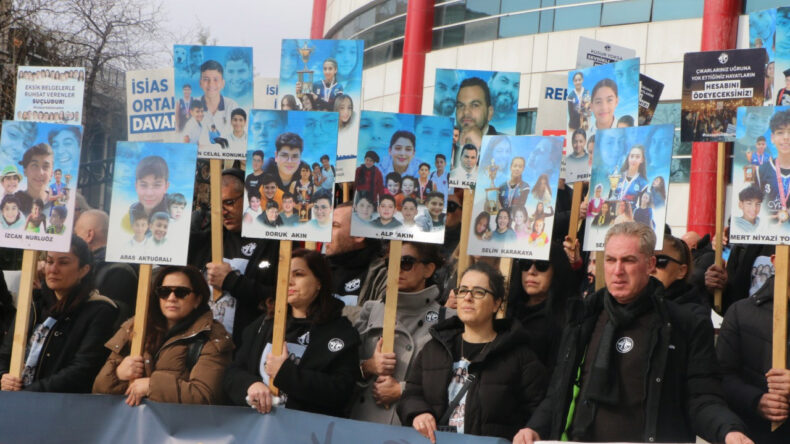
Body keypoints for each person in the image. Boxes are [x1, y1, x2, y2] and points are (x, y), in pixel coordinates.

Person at [513, 222, 752, 444]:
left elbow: (702, 397)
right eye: (610, 260)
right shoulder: (582, 317)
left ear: (649, 264)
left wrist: (728, 430)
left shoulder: (685, 324)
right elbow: (559, 390)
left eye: (628, 260)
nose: (617, 270)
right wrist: (534, 428)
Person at [399, 262, 547, 441]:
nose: (468, 298)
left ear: (496, 303)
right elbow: (411, 393)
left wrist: (530, 430)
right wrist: (419, 413)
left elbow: (540, 408)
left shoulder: (519, 355)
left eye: (478, 292)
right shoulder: (434, 348)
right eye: (463, 290)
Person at [224, 249, 360, 416]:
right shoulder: (265, 323)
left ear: (319, 282)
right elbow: (233, 372)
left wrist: (286, 374)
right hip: (258, 429)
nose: (289, 281)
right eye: (284, 274)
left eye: (298, 274)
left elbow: (340, 392)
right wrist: (250, 385)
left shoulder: (340, 331)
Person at [92, 265, 233, 405]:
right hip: (132, 423)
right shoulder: (135, 327)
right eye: (164, 292)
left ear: (197, 300)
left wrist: (152, 386)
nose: (171, 298)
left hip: (179, 426)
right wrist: (118, 375)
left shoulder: (212, 336)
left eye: (181, 292)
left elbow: (205, 396)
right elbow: (98, 390)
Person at [0, 236, 118, 393]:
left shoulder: (100, 310)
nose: (53, 269)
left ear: (84, 270)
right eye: (49, 262)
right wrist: (4, 377)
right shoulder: (33, 303)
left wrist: (28, 393)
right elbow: (5, 353)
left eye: (63, 262)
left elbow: (82, 370)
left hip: (60, 407)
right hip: (15, 401)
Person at [351, 242, 450, 424]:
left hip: (408, 427)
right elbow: (341, 373)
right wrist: (367, 367)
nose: (397, 270)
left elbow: (451, 380)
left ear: (428, 270)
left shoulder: (447, 319)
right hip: (362, 425)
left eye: (405, 262)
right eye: (391, 263)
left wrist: (402, 390)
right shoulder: (371, 310)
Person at [188, 168, 279, 347]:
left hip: (247, 346)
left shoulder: (271, 244)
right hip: (203, 346)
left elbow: (278, 297)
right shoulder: (207, 241)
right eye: (217, 205)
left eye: (229, 202)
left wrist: (232, 281)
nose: (223, 211)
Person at [717, 269, 790, 443]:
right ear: (775, 260)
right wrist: (756, 400)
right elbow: (721, 376)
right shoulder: (740, 313)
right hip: (755, 433)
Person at [508, 242, 580, 370]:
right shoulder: (505, 309)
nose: (531, 271)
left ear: (557, 270)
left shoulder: (567, 317)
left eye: (542, 265)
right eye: (525, 264)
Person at [73, 209, 138, 328]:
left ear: (89, 235)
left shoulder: (118, 270)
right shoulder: (107, 265)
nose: (73, 241)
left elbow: (111, 320)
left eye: (76, 235)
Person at [325, 202, 386, 308]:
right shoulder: (318, 269)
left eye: (335, 225)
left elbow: (377, 318)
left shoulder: (382, 274)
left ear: (358, 234)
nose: (326, 231)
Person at [651, 235, 709, 321]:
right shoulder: (631, 303)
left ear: (681, 271)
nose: (651, 268)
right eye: (646, 261)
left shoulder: (694, 317)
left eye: (660, 261)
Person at [196, 60, 240, 147]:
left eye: (216, 79)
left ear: (223, 83)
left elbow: (237, 138)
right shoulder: (193, 105)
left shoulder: (232, 106)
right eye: (206, 79)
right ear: (200, 83)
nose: (211, 84)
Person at [15, 142, 54, 215]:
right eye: (35, 165)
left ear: (51, 174)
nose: (40, 173)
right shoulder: (12, 202)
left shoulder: (58, 204)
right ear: (25, 171)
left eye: (45, 167)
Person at [612, 144, 649, 209]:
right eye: (632, 156)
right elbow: (610, 198)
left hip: (630, 217)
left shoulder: (643, 183)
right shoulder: (617, 177)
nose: (634, 159)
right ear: (628, 158)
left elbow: (642, 207)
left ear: (642, 160)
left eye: (637, 157)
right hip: (614, 215)